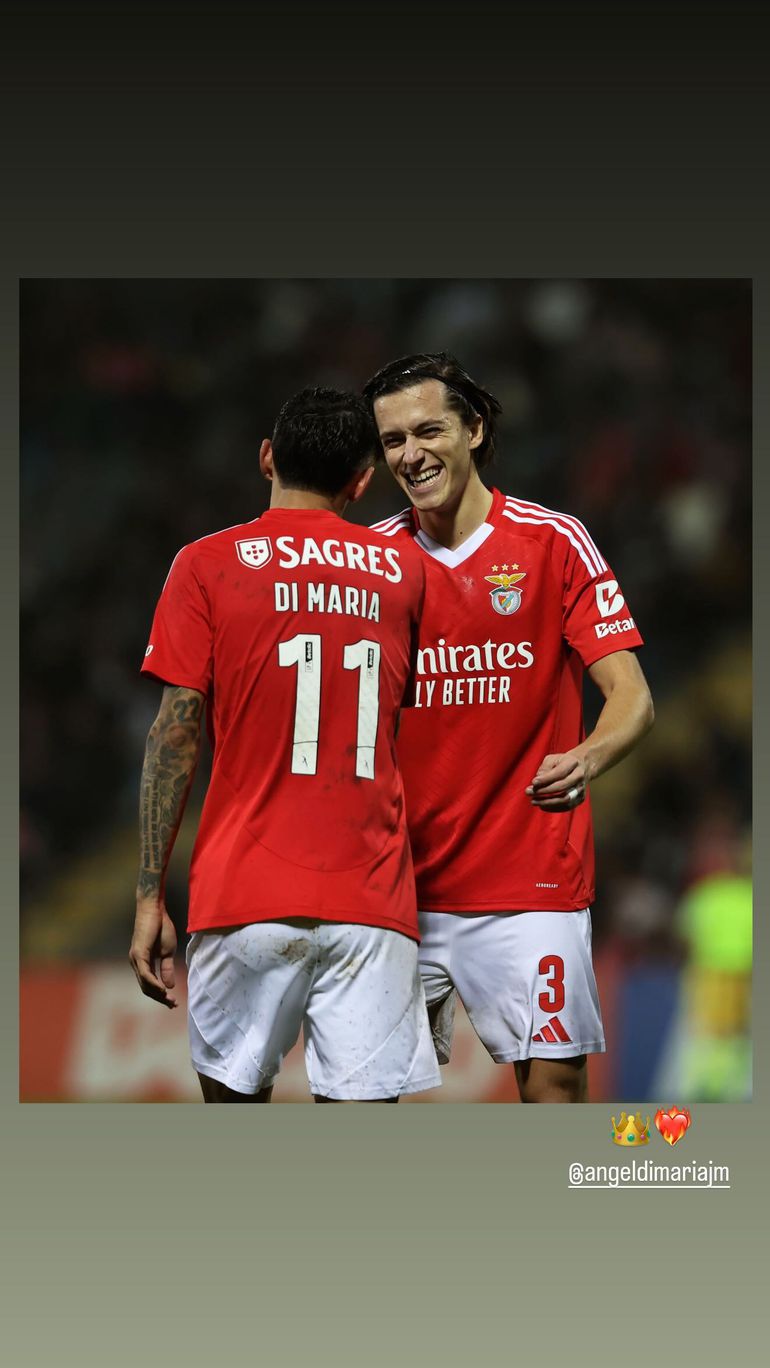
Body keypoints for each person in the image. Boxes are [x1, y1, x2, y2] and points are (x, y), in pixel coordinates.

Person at [129, 386, 441, 1104]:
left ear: (267, 458)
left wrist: (150, 898)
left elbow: (176, 733)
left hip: (244, 898)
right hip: (372, 904)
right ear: (361, 482)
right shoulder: (408, 573)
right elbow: (421, 736)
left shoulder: (205, 564)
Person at [363, 352, 654, 1103]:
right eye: (393, 440)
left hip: (531, 883)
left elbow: (631, 695)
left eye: (428, 431)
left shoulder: (553, 542)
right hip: (396, 889)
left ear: (474, 430)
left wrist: (589, 756)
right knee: (366, 1101)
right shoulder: (371, 562)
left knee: (553, 1091)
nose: (411, 454)